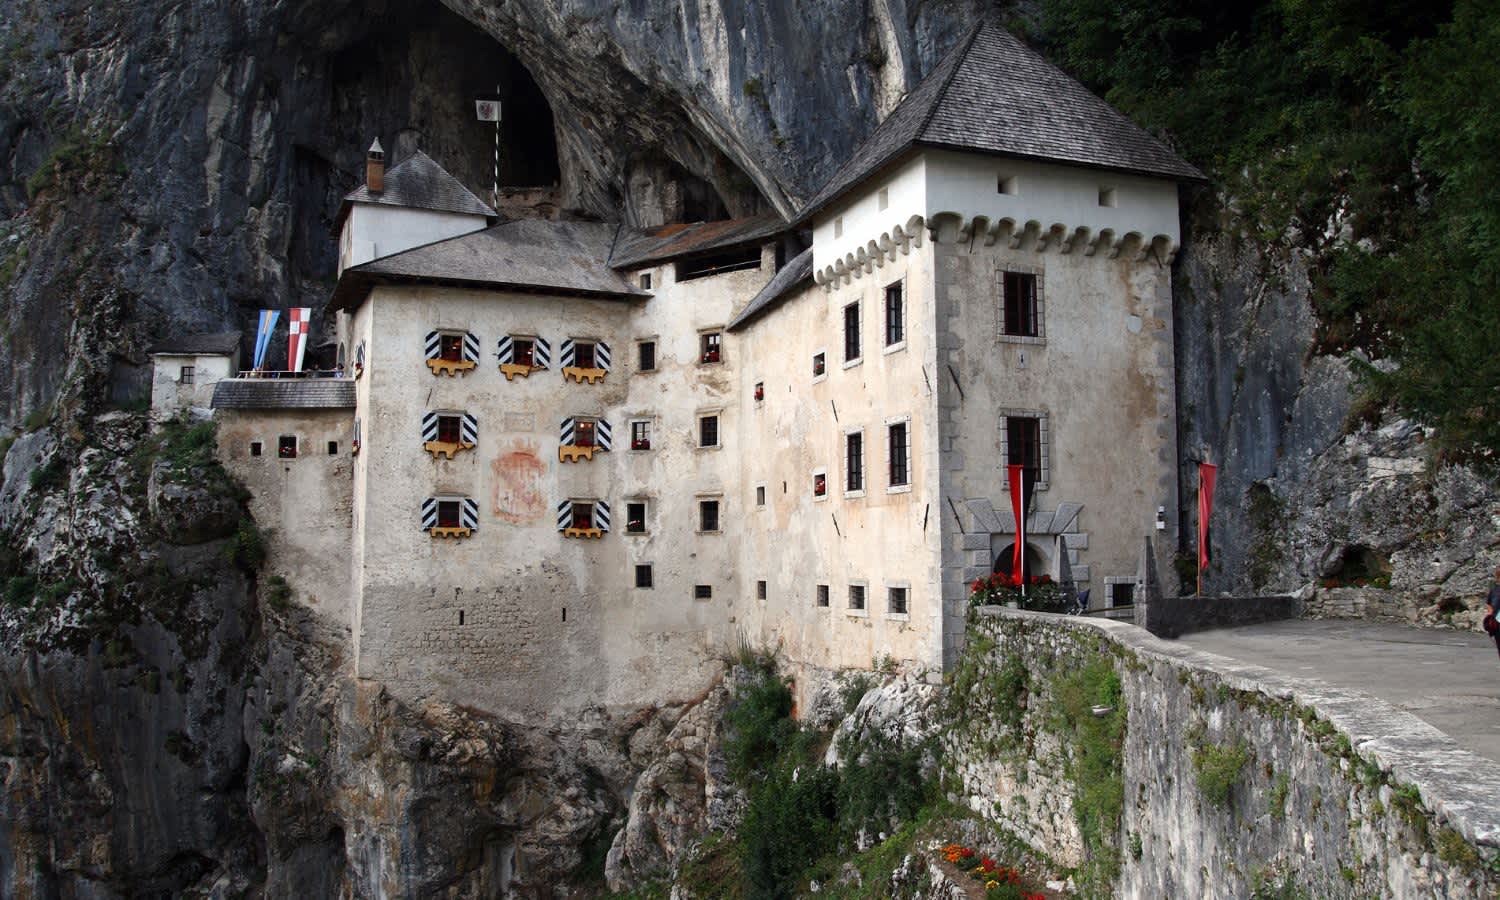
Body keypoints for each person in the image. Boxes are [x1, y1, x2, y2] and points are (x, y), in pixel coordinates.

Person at [1484, 566, 1500, 660]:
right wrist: (1491, 615)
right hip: (1497, 623)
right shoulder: (1494, 590)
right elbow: (1489, 604)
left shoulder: (1495, 590)